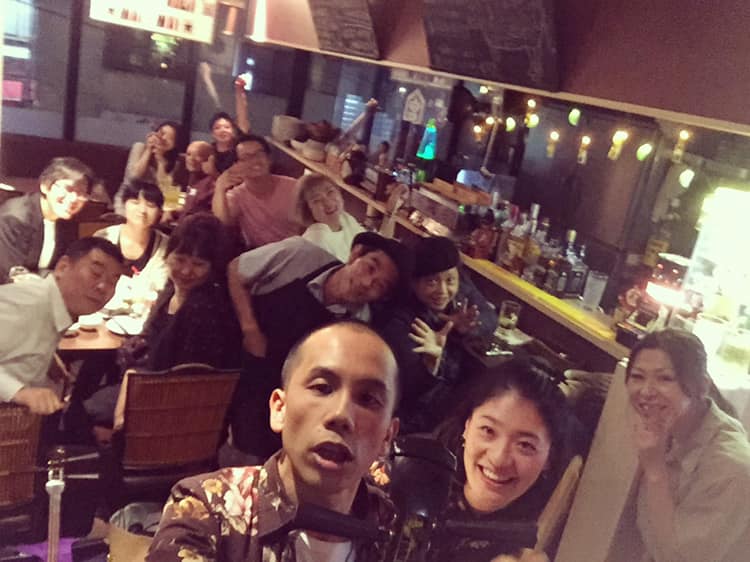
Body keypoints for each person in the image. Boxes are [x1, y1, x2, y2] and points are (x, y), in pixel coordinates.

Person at [146, 321, 399, 562]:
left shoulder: (396, 531)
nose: (341, 415)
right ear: (280, 408)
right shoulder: (207, 510)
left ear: (387, 436)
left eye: (368, 399)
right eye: (322, 388)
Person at [226, 232, 413, 460]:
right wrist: (250, 328)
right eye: (370, 267)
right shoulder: (299, 254)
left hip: (278, 393)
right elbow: (237, 270)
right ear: (355, 254)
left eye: (380, 285)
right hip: (232, 358)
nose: (366, 283)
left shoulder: (357, 325)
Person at [80, 214, 242, 431]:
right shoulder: (171, 290)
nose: (186, 271)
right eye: (180, 259)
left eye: (198, 264)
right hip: (149, 385)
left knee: (84, 408)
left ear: (213, 268)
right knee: (88, 387)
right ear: (168, 255)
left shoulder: (203, 308)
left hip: (168, 404)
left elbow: (186, 378)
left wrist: (131, 381)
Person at [622, 329, 750, 562]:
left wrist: (655, 470)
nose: (646, 391)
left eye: (665, 379)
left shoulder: (732, 468)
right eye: (638, 376)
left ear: (702, 387)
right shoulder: (667, 430)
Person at [429, 358, 575, 562]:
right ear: (467, 426)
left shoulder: (544, 544)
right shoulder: (402, 483)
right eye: (488, 430)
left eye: (525, 445)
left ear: (549, 458)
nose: (499, 459)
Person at [376, 236, 496, 433]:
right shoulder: (401, 322)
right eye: (431, 282)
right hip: (416, 422)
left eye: (450, 280)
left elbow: (489, 317)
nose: (443, 290)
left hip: (450, 407)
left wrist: (461, 327)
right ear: (413, 283)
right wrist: (432, 363)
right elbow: (409, 392)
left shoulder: (458, 287)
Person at [0, 237, 123, 414]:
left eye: (113, 282)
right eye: (96, 274)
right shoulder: (27, 305)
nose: (103, 287)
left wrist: (47, 358)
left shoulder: (50, 305)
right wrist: (20, 393)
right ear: (63, 267)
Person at [0, 157, 95, 283]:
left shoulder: (66, 221)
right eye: (68, 189)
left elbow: (66, 266)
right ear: (45, 186)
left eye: (81, 193)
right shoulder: (14, 218)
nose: (73, 199)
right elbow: (13, 274)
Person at [211, 134, 300, 248]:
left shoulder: (293, 187)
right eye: (246, 157)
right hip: (260, 254)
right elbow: (222, 221)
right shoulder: (237, 195)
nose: (255, 160)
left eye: (259, 154)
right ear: (236, 165)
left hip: (295, 249)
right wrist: (219, 187)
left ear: (269, 159)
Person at [94, 180, 169, 305]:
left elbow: (161, 288)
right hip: (101, 308)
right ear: (124, 205)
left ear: (160, 212)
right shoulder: (104, 237)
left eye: (150, 205)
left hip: (144, 312)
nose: (142, 210)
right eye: (135, 202)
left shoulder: (165, 246)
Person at [115, 121, 184, 214]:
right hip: (129, 199)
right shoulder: (139, 147)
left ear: (175, 144)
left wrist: (160, 161)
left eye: (170, 138)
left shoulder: (176, 162)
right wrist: (148, 150)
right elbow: (132, 178)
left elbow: (171, 197)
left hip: (154, 206)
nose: (163, 138)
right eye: (162, 133)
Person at [294, 173, 365, 261]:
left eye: (330, 192)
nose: (328, 203)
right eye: (317, 200)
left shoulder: (345, 218)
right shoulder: (316, 241)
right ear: (308, 211)